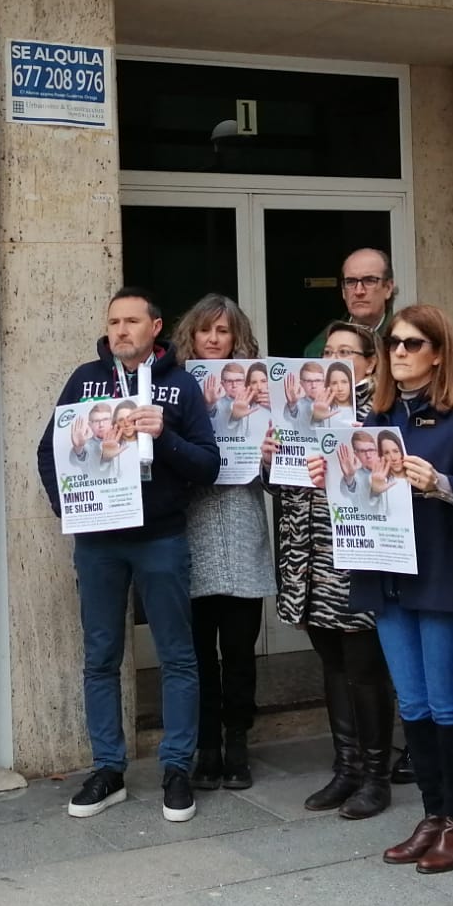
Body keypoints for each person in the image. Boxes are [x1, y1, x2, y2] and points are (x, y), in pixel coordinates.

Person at [37, 287, 218, 825]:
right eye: (113, 321)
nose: (120, 330)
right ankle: (108, 769)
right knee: (100, 655)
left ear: (155, 327)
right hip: (98, 540)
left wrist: (164, 438)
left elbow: (207, 465)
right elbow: (50, 450)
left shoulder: (180, 385)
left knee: (177, 655)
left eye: (132, 321)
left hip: (160, 537)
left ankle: (177, 768)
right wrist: (67, 505)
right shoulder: (85, 379)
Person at [333, 306, 453, 875]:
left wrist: (443, 485)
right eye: (393, 345)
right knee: (415, 702)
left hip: (445, 573)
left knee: (448, 701)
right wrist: (330, 478)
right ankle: (432, 814)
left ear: (437, 351)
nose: (398, 352)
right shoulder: (375, 416)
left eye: (411, 343)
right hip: (386, 575)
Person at [273, 321, 397, 820]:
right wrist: (270, 463)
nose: (335, 360)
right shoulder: (299, 410)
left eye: (347, 352)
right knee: (331, 661)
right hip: (306, 557)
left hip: (354, 555)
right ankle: (345, 768)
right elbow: (283, 487)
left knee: (365, 667)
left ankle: (376, 775)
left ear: (369, 361)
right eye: (328, 351)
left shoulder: (381, 414)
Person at [170, 295, 274, 792]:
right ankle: (205, 745)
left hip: (241, 528)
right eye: (205, 330)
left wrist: (276, 454)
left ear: (238, 340)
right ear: (189, 336)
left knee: (237, 649)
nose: (214, 339)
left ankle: (237, 743)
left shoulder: (260, 394)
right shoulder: (170, 390)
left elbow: (280, 479)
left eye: (224, 331)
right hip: (188, 530)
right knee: (196, 652)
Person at [303, 247, 396, 355]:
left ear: (388, 288)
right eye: (351, 282)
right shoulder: (320, 348)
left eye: (369, 281)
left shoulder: (403, 343)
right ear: (343, 291)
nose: (359, 291)